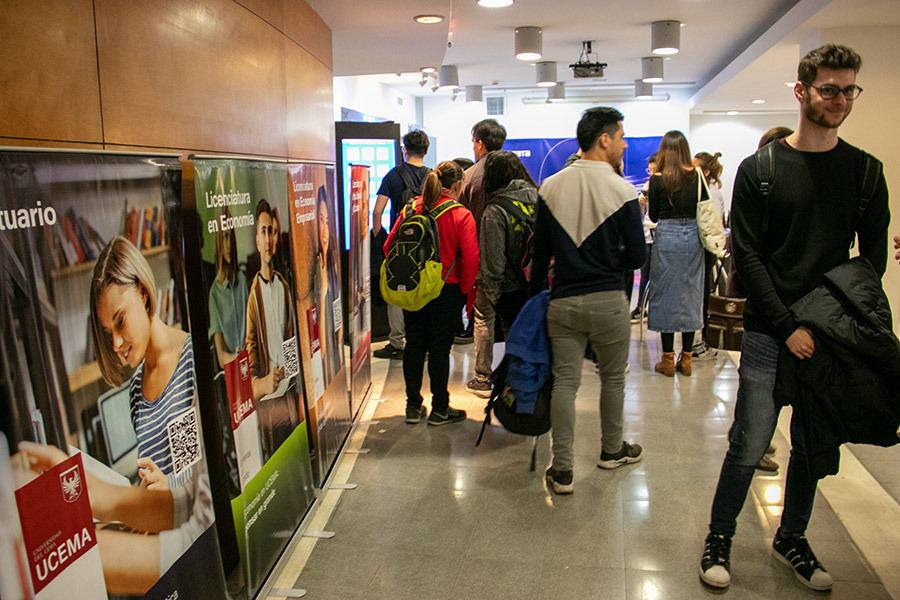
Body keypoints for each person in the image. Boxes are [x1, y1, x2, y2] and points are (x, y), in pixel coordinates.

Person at [699, 43, 889, 591]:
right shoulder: (760, 169)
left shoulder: (865, 173)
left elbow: (869, 262)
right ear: (802, 90)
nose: (841, 100)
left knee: (812, 442)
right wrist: (787, 326)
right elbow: (748, 254)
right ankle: (720, 536)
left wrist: (819, 324)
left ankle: (792, 537)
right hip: (768, 331)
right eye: (829, 89)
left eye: (849, 89)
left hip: (829, 333)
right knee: (750, 441)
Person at [530, 107, 646, 494]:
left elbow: (540, 253)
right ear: (604, 139)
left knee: (565, 383)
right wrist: (610, 261)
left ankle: (562, 469)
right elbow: (637, 258)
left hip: (563, 301)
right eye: (622, 135)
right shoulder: (623, 190)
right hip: (609, 301)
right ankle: (612, 451)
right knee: (613, 379)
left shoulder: (550, 187)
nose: (625, 143)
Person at [90, 236, 196, 489]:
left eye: (120, 321)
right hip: (168, 527)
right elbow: (154, 473)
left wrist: (166, 486)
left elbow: (198, 475)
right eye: (108, 332)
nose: (115, 343)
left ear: (142, 292)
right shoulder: (136, 389)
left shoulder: (189, 361)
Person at [384, 161, 479, 426]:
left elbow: (389, 246)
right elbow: (471, 259)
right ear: (458, 184)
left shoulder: (410, 209)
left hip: (414, 287)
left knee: (414, 344)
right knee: (439, 348)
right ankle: (440, 408)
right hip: (446, 289)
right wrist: (464, 290)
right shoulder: (461, 214)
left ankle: (413, 406)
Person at [646, 131, 707, 377]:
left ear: (664, 151)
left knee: (665, 294)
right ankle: (688, 359)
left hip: (667, 237)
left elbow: (654, 216)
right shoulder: (698, 175)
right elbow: (705, 207)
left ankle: (668, 359)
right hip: (694, 237)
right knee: (691, 294)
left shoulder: (658, 180)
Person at [245, 200, 299, 458]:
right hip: (269, 401)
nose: (268, 239)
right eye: (263, 232)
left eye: (272, 232)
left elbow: (290, 337)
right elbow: (251, 349)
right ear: (257, 240)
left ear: (277, 237)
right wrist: (264, 383)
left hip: (289, 393)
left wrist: (293, 382)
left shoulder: (284, 287)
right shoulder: (253, 297)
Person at [372, 130, 431, 360]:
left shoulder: (393, 176)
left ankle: (397, 342)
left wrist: (381, 240)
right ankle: (422, 340)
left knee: (396, 289)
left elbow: (378, 211)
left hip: (399, 243)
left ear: (404, 150)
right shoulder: (433, 176)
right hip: (426, 243)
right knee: (424, 287)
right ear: (425, 151)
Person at [460, 118, 508, 398]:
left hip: (482, 256)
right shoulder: (516, 171)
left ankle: (482, 376)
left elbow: (463, 216)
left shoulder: (470, 175)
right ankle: (514, 376)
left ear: (479, 143)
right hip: (514, 258)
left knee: (483, 317)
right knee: (514, 317)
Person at [477, 150, 538, 335]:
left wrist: (495, 296)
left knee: (516, 344)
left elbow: (493, 261)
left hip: (511, 290)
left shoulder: (495, 210)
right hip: (539, 284)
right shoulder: (540, 198)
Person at [690, 151, 726, 360]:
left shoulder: (711, 192)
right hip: (698, 248)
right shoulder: (702, 190)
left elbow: (712, 224)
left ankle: (702, 341)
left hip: (706, 249)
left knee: (704, 296)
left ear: (706, 171)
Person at [209, 207, 249, 369]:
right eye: (224, 237)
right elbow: (221, 356)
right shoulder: (214, 293)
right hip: (234, 370)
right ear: (219, 241)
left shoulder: (242, 280)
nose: (228, 245)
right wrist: (238, 357)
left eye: (230, 237)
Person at [314, 186, 343, 382]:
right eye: (320, 221)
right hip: (323, 369)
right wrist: (323, 291)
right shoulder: (317, 268)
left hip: (336, 361)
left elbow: (339, 333)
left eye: (328, 221)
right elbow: (321, 350)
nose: (324, 229)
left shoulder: (332, 263)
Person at [631, 153, 657, 322]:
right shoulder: (648, 184)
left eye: (655, 169)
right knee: (645, 273)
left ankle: (656, 309)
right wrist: (641, 204)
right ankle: (641, 307)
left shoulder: (665, 184)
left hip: (661, 236)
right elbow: (643, 215)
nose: (652, 172)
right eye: (650, 169)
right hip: (648, 235)